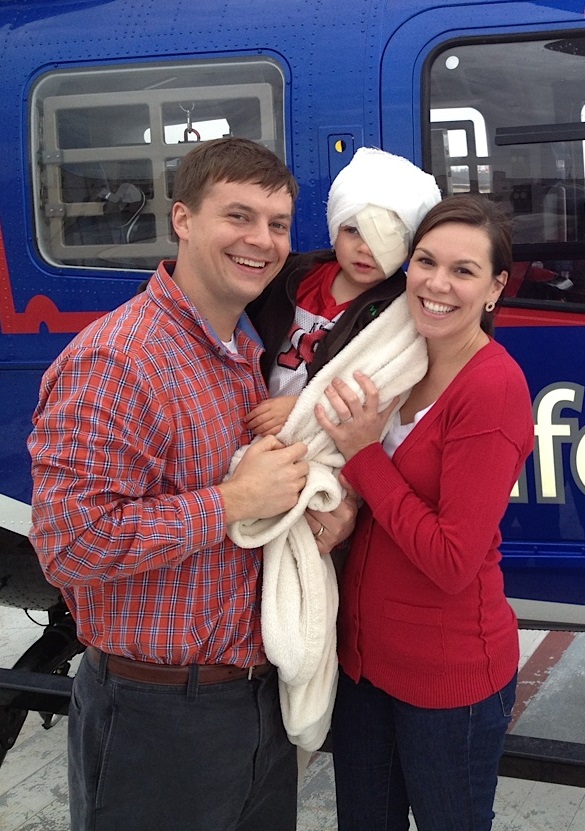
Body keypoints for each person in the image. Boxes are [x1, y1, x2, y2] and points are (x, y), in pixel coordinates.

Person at [26, 137, 355, 831]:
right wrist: (233, 503)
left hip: (249, 707)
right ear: (182, 219)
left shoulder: (241, 354)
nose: (260, 241)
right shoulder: (119, 361)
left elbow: (253, 512)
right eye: (237, 216)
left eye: (275, 224)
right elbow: (71, 544)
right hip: (157, 720)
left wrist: (321, 515)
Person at [314, 194, 535, 831]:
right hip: (365, 665)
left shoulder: (491, 389)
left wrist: (363, 458)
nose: (438, 284)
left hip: (447, 679)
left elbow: (452, 559)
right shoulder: (396, 360)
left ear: (494, 289)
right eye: (425, 262)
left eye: (463, 271)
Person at [245, 147, 441, 437]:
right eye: (353, 230)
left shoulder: (403, 309)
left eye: (385, 238)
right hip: (251, 421)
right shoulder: (293, 274)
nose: (365, 248)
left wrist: (303, 408)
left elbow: (384, 388)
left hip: (314, 436)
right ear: (334, 228)